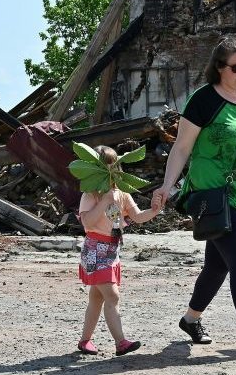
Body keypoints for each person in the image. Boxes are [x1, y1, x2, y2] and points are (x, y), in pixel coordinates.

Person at [151, 37, 236, 360]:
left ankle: (190, 319)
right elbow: (182, 147)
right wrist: (166, 186)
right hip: (211, 195)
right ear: (219, 68)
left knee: (217, 265)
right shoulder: (203, 100)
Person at [77, 145, 162, 356]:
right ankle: (121, 342)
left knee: (97, 299)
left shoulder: (121, 194)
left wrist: (154, 210)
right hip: (95, 249)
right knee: (112, 296)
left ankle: (84, 341)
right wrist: (104, 201)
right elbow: (87, 222)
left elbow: (137, 216)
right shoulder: (91, 194)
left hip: (112, 250)